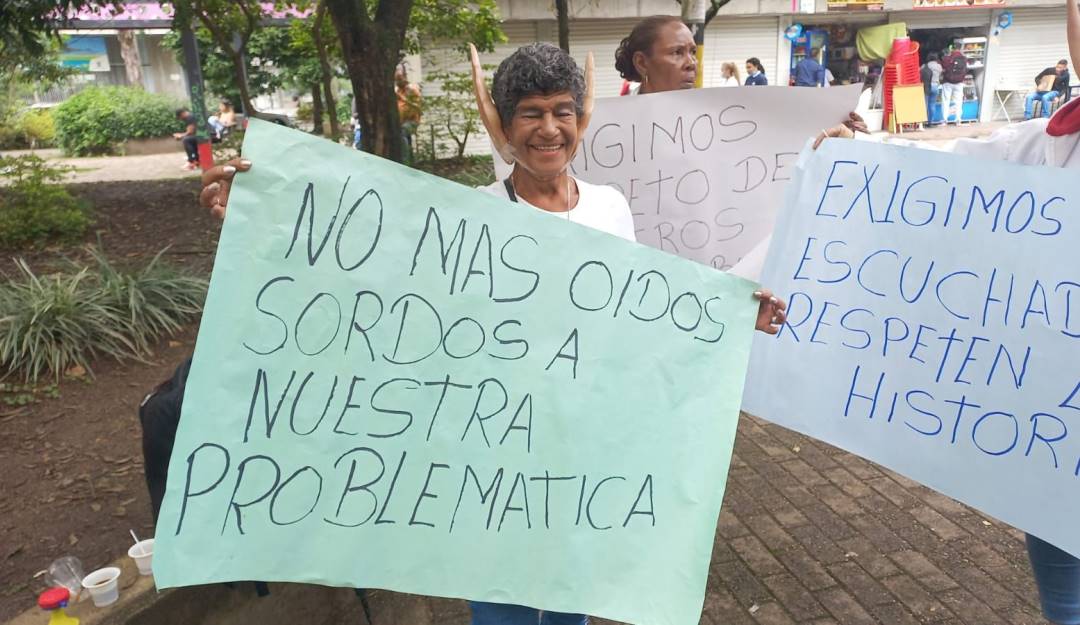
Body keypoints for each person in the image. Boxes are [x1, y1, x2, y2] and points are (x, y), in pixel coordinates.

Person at [613, 15, 697, 94]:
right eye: (677, 52)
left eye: (693, 52)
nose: (691, 64)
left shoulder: (704, 107)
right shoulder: (623, 109)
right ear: (641, 63)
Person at [396, 63, 422, 162]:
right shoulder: (397, 90)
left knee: (402, 131)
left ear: (405, 76)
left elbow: (417, 108)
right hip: (400, 121)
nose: (398, 82)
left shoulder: (412, 89)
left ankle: (405, 160)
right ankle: (410, 159)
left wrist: (402, 99)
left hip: (412, 121)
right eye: (396, 80)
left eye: (400, 78)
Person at [939, 46, 968, 125]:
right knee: (958, 101)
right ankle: (958, 120)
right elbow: (966, 69)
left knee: (946, 101)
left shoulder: (947, 58)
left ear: (952, 50)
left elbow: (943, 67)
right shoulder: (964, 59)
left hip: (947, 83)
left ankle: (944, 120)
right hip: (959, 83)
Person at [921, 52, 943, 124]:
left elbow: (920, 73)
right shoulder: (939, 66)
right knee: (932, 104)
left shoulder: (925, 66)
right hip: (935, 86)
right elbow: (940, 75)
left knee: (925, 104)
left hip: (926, 86)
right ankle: (930, 121)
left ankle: (924, 121)